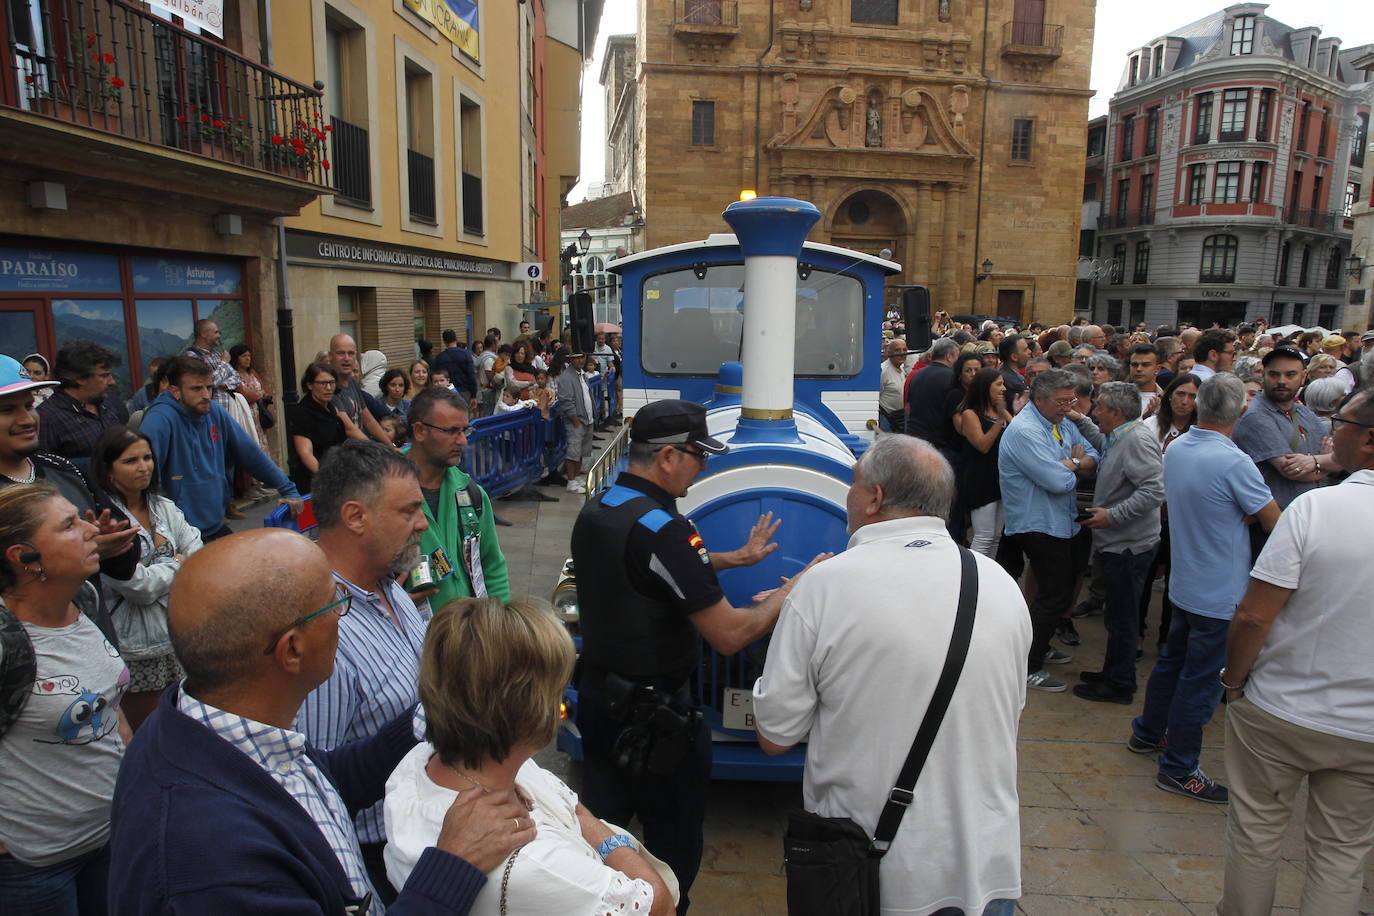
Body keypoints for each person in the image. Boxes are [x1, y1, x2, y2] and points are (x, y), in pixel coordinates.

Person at [107, 528, 528, 913]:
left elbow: (322, 781)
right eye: (337, 603)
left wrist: (437, 711)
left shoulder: (207, 728)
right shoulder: (215, 857)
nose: (344, 616)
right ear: (291, 650)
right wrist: (454, 863)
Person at [753, 434, 1029, 916]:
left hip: (873, 876)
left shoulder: (824, 587)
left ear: (875, 497)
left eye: (854, 485)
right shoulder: (1000, 582)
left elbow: (776, 734)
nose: (849, 497)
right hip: (987, 869)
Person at [570, 399, 817, 912]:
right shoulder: (667, 530)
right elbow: (729, 634)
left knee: (597, 841)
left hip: (601, 706)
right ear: (666, 458)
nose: (703, 465)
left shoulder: (601, 509)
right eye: (698, 455)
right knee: (671, 852)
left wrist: (734, 558)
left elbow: (646, 570)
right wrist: (794, 589)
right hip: (658, 725)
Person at [385, 597, 677, 915]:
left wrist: (584, 823)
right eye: (555, 690)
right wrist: (608, 841)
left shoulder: (423, 763)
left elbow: (567, 803)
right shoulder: (535, 865)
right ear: (525, 710)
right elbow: (657, 905)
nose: (560, 702)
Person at [1216, 387, 1374, 916]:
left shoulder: (1316, 509)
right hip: (1364, 725)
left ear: (1369, 440)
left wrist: (1233, 682)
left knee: (1257, 834)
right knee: (1342, 852)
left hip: (1282, 708)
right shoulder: (1317, 506)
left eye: (1341, 422)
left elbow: (1255, 613)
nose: (1331, 432)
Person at [1129, 374, 1279, 803]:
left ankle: (1148, 732)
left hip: (1185, 583)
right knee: (1201, 681)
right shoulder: (1234, 462)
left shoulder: (1178, 447)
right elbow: (1272, 519)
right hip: (1219, 592)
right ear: (1241, 410)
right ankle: (1178, 767)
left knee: (1172, 665)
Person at [296, 441, 433, 903]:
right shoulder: (320, 631)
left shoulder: (388, 583)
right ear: (356, 517)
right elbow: (319, 787)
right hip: (377, 861)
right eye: (410, 510)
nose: (423, 522)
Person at [0, 484, 128, 915]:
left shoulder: (85, 599)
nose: (91, 530)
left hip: (109, 840)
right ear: (23, 558)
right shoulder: (5, 643)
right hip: (31, 868)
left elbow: (110, 705)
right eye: (69, 525)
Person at [89, 426, 202, 731]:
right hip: (135, 643)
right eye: (130, 461)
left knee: (186, 721)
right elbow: (137, 586)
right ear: (108, 470)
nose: (143, 467)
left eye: (147, 458)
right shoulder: (107, 523)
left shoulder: (164, 508)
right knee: (151, 730)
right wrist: (177, 562)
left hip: (177, 632)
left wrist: (170, 568)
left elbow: (198, 553)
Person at [999, 368, 1099, 692]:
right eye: (1061, 401)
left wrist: (1071, 465)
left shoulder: (1061, 422)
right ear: (1039, 398)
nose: (1068, 407)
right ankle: (1029, 665)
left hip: (1060, 521)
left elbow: (1094, 456)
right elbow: (1058, 483)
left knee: (1059, 590)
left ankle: (1037, 646)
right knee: (1052, 595)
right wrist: (1073, 464)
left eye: (1071, 400)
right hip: (1037, 523)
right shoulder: (1025, 431)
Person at [1070, 383, 1164, 704]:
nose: (1095, 412)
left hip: (1128, 545)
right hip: (1119, 543)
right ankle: (1111, 673)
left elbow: (1153, 491)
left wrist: (1113, 516)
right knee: (1117, 615)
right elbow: (1103, 441)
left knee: (1123, 619)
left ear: (1117, 413)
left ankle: (1120, 684)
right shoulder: (1121, 434)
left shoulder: (1137, 440)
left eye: (1099, 409)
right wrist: (1079, 418)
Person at [139, 356, 302, 540]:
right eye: (196, 388)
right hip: (179, 536)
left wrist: (288, 489)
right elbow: (143, 477)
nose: (206, 395)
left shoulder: (214, 412)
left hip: (215, 525)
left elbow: (251, 454)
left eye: (209, 387)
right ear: (175, 391)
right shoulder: (159, 419)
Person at [406, 387, 510, 609]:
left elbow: (492, 564)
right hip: (408, 638)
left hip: (467, 634)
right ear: (419, 431)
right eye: (452, 431)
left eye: (465, 430)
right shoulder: (380, 493)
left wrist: (499, 626)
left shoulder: (471, 493)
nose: (462, 441)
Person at [1233, 346, 1337, 514]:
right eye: (1274, 374)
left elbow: (1342, 457)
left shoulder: (1303, 411)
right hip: (1279, 520)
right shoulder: (1255, 416)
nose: (1282, 381)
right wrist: (1326, 462)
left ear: (1303, 377)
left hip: (1313, 513)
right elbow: (1291, 470)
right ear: (1263, 376)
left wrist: (1314, 462)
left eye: (1290, 375)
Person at [37, 342, 128, 471]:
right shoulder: (47, 417)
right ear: (79, 378)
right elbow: (47, 472)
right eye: (104, 376)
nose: (112, 382)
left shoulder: (108, 405)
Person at [953, 367, 1011, 558]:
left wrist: (1006, 415)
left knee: (996, 536)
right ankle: (976, 574)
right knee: (984, 535)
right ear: (986, 387)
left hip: (1000, 478)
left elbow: (1016, 430)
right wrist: (999, 420)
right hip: (980, 479)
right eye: (999, 384)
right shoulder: (970, 414)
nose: (1003, 389)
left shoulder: (1001, 411)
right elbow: (982, 445)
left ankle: (989, 574)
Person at [287, 362, 358, 496]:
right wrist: (329, 479)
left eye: (331, 382)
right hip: (314, 483)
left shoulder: (330, 407)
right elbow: (306, 453)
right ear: (309, 385)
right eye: (322, 383)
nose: (329, 388)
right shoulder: (301, 413)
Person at [327, 334, 394, 446]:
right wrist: (377, 449)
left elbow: (368, 420)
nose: (346, 358)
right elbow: (349, 429)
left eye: (351, 353)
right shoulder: (329, 388)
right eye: (341, 353)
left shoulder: (352, 382)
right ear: (330, 357)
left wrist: (390, 446)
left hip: (360, 451)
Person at [904, 337, 960, 459]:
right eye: (957, 356)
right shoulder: (952, 377)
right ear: (949, 356)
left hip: (915, 437)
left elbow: (909, 407)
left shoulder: (917, 374)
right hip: (938, 444)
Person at [554, 350, 595, 493]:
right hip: (576, 421)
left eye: (582, 357)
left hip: (587, 419)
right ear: (571, 359)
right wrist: (575, 420)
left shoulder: (582, 374)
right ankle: (571, 481)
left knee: (582, 452)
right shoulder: (566, 377)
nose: (581, 360)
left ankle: (576, 477)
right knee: (573, 452)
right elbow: (565, 401)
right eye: (577, 358)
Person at [183, 319, 241, 409]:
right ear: (203, 334)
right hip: (209, 414)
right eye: (216, 332)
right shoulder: (191, 356)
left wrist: (222, 384)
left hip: (227, 411)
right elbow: (208, 381)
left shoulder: (217, 354)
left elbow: (237, 377)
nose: (219, 336)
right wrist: (224, 363)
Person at [227, 345, 271, 452]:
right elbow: (244, 395)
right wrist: (258, 394)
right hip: (245, 414)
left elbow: (266, 389)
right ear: (236, 358)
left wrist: (260, 394)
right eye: (243, 356)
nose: (248, 359)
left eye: (249, 356)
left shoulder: (252, 373)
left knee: (262, 443)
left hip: (258, 413)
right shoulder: (234, 376)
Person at [434, 329, 479, 403]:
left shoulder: (440, 358)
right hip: (465, 392)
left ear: (444, 341)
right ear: (456, 339)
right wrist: (473, 395)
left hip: (446, 392)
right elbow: (471, 375)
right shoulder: (466, 354)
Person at [879, 338, 911, 433]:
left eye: (904, 350)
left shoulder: (901, 367)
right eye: (897, 350)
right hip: (886, 419)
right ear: (889, 353)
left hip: (899, 418)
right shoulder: (883, 371)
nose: (902, 353)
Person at [1127, 343, 1164, 415]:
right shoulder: (1117, 397)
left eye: (1146, 365)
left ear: (1157, 369)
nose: (1139, 369)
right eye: (1134, 365)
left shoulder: (1166, 400)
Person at [998, 334, 1030, 412]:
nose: (1030, 352)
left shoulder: (1005, 372)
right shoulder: (1012, 383)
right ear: (1014, 357)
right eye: (1025, 350)